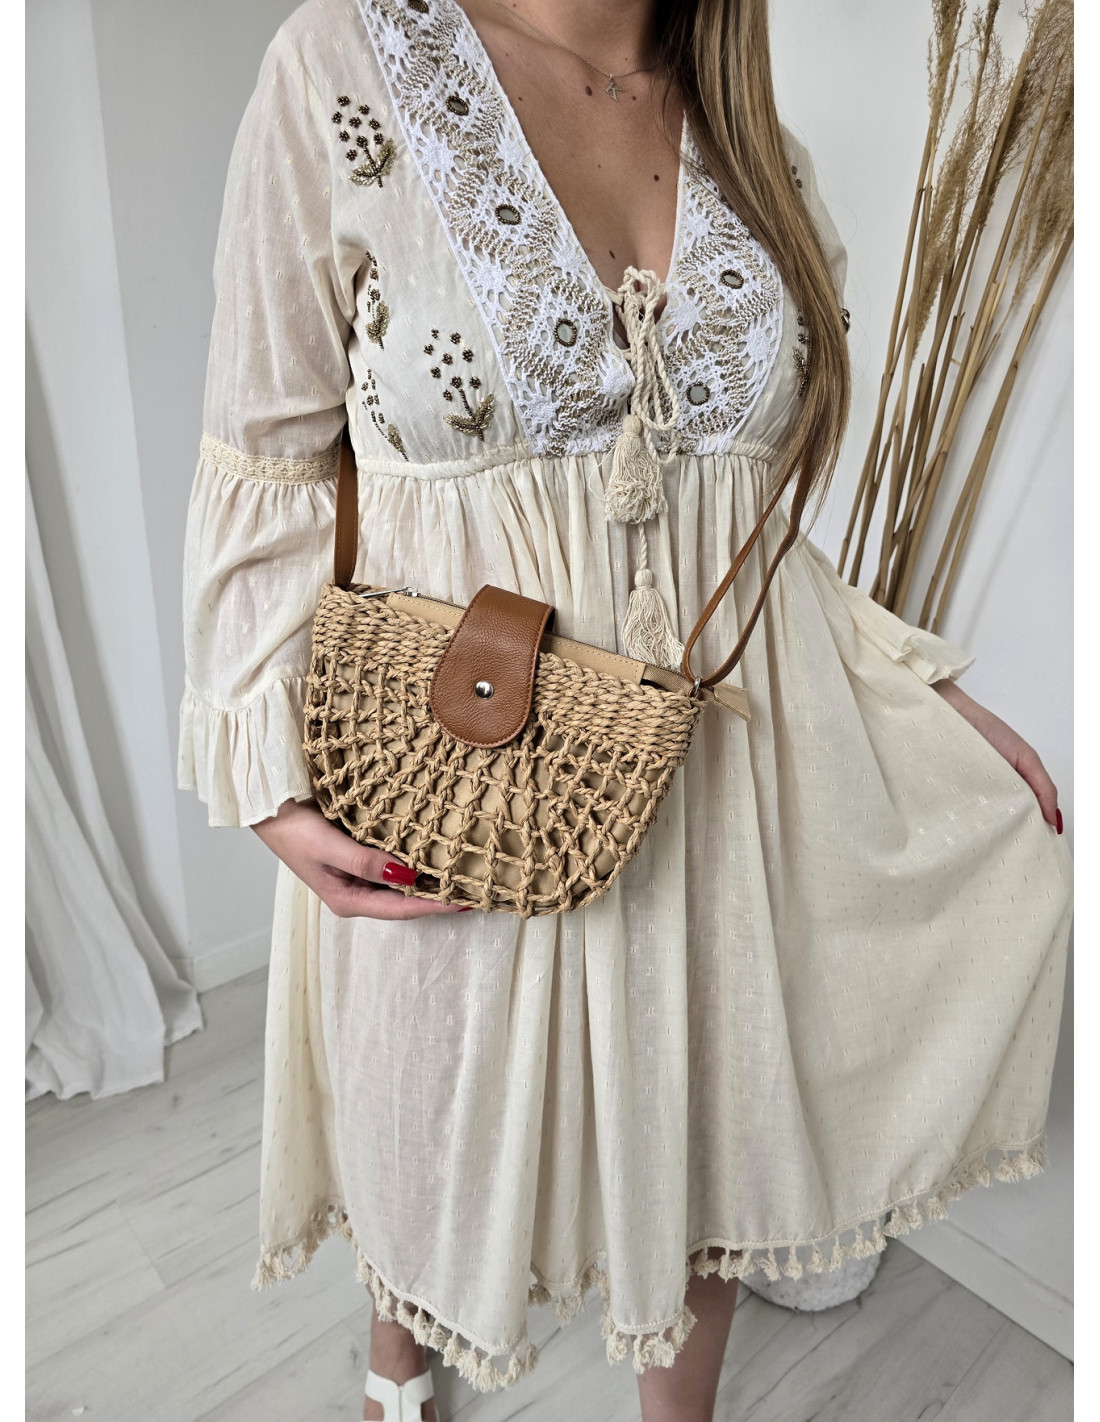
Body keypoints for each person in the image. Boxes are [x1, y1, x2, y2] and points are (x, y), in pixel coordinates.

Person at [178, 2, 1073, 1419]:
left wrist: (922, 683)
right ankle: (398, 1362)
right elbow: (267, 454)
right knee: (430, 1114)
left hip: (710, 768)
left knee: (701, 1133)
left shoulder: (744, 127)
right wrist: (262, 754)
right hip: (454, 744)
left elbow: (755, 530)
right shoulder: (343, 63)